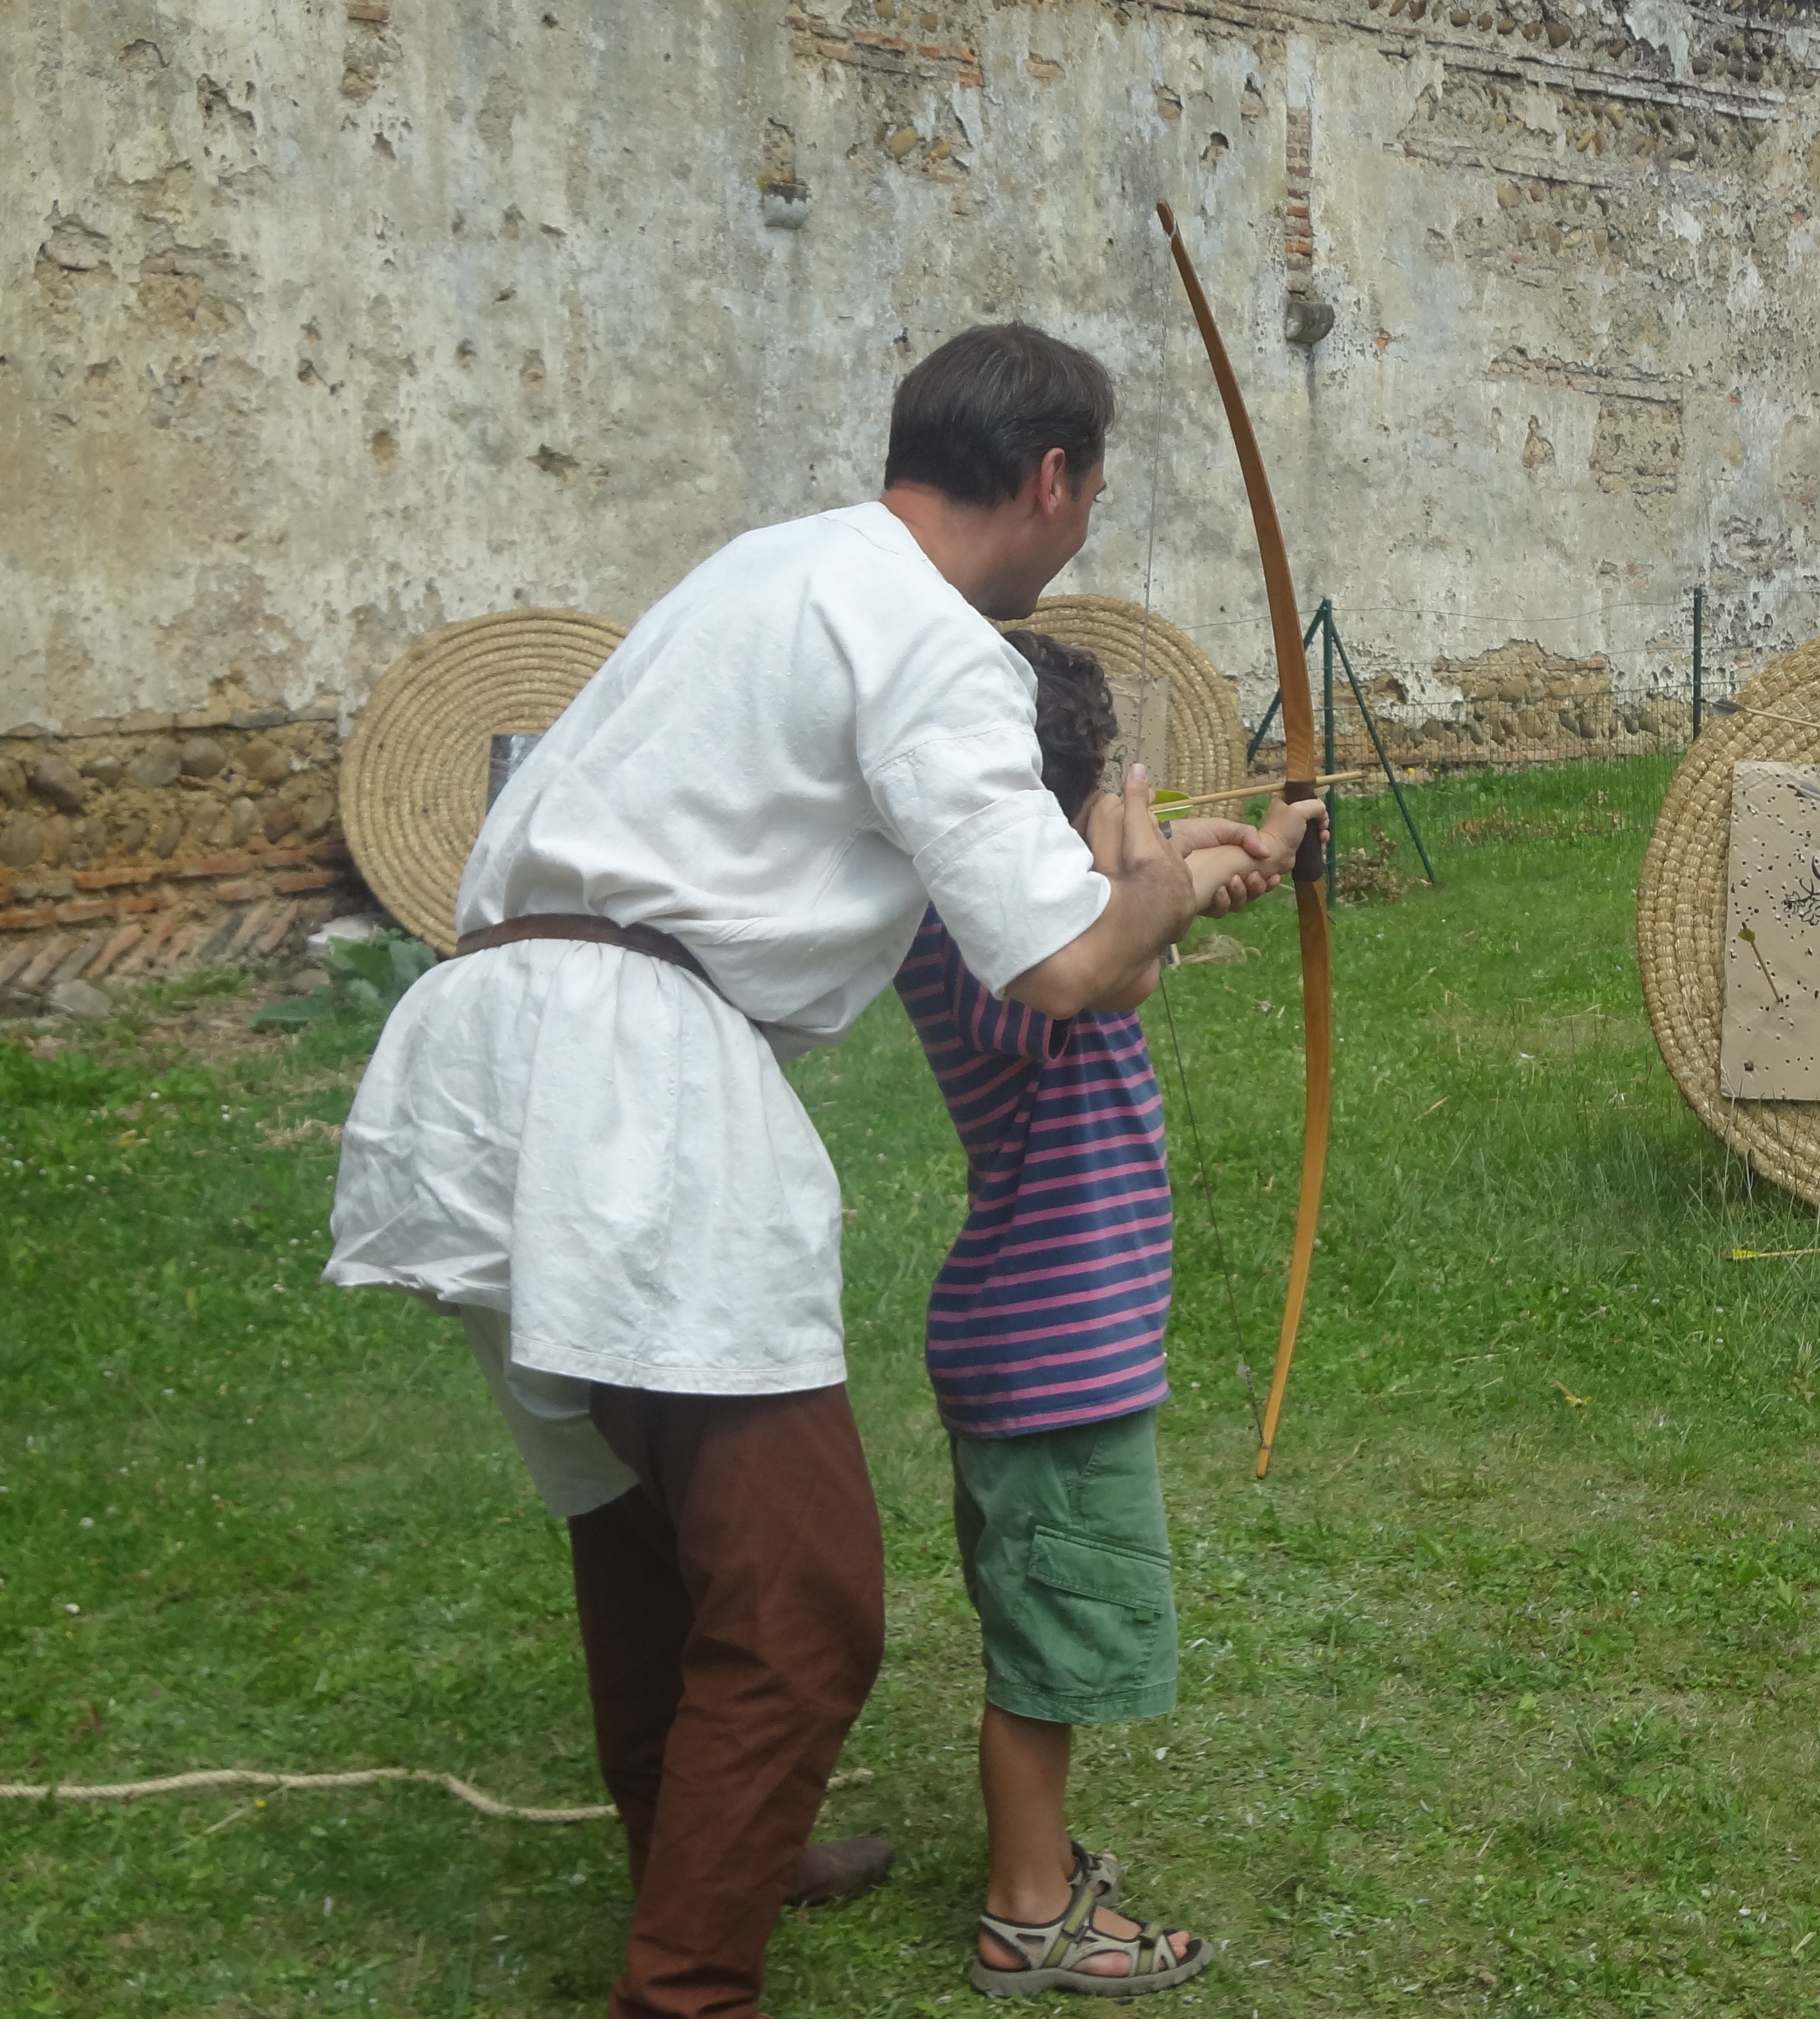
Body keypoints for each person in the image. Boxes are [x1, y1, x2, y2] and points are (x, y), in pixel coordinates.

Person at [322, 324, 1305, 2019]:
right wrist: (1197, 878)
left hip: (491, 1049)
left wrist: (1168, 866)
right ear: (1054, 480)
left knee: (644, 1537)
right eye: (1098, 489)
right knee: (804, 1609)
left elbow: (1015, 895)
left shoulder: (776, 565)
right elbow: (1068, 964)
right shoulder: (935, 636)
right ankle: (687, 1989)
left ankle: (723, 1857)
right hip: (632, 1089)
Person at [895, 633, 1320, 1999]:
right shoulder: (1002, 942)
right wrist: (1189, 856)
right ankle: (1027, 1912)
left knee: (1050, 1632)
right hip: (1046, 1363)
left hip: (1050, 1352)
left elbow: (1139, 913)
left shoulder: (1004, 911)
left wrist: (1220, 848)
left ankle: (1039, 1871)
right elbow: (1125, 949)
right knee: (1050, 1648)